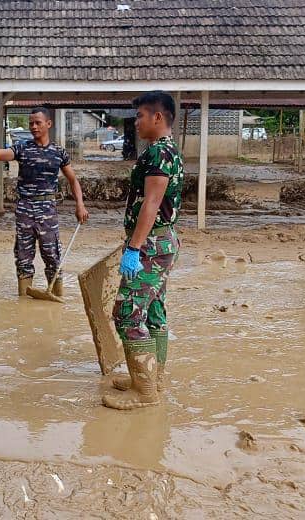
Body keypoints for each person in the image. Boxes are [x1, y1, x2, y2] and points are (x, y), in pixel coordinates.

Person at [0, 107, 89, 297]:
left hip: (48, 209)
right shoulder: (22, 148)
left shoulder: (59, 152)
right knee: (23, 256)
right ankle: (23, 300)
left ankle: (57, 296)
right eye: (31, 123)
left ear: (48, 124)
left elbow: (73, 180)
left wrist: (80, 204)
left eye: (38, 122)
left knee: (52, 255)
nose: (33, 126)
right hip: (25, 209)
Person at [104, 91, 185, 410]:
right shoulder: (165, 151)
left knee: (127, 313)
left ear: (158, 117)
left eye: (139, 116)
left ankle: (145, 391)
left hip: (151, 244)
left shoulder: (158, 154)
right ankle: (151, 377)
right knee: (152, 309)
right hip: (162, 241)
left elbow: (151, 204)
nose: (135, 121)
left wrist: (134, 248)